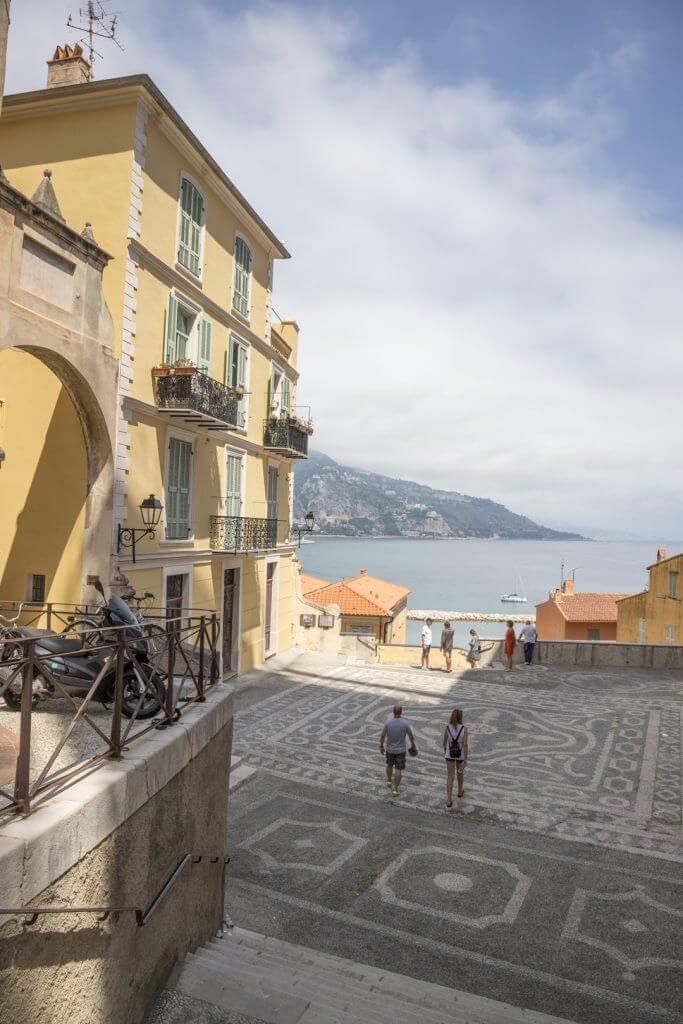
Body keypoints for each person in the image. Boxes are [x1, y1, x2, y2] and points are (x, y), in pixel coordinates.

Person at [380, 705, 416, 797]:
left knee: (389, 765)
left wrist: (381, 746)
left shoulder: (388, 722)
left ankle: (389, 780)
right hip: (401, 750)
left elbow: (383, 736)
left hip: (390, 749)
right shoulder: (405, 723)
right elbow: (411, 735)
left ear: (393, 711)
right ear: (401, 712)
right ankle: (395, 789)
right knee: (398, 769)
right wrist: (412, 744)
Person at [443, 707, 468, 806]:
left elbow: (444, 742)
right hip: (460, 756)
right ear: (460, 717)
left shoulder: (447, 727)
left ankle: (449, 799)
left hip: (449, 755)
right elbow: (465, 745)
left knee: (450, 777)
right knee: (460, 774)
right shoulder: (464, 729)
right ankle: (459, 791)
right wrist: (465, 758)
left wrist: (446, 751)